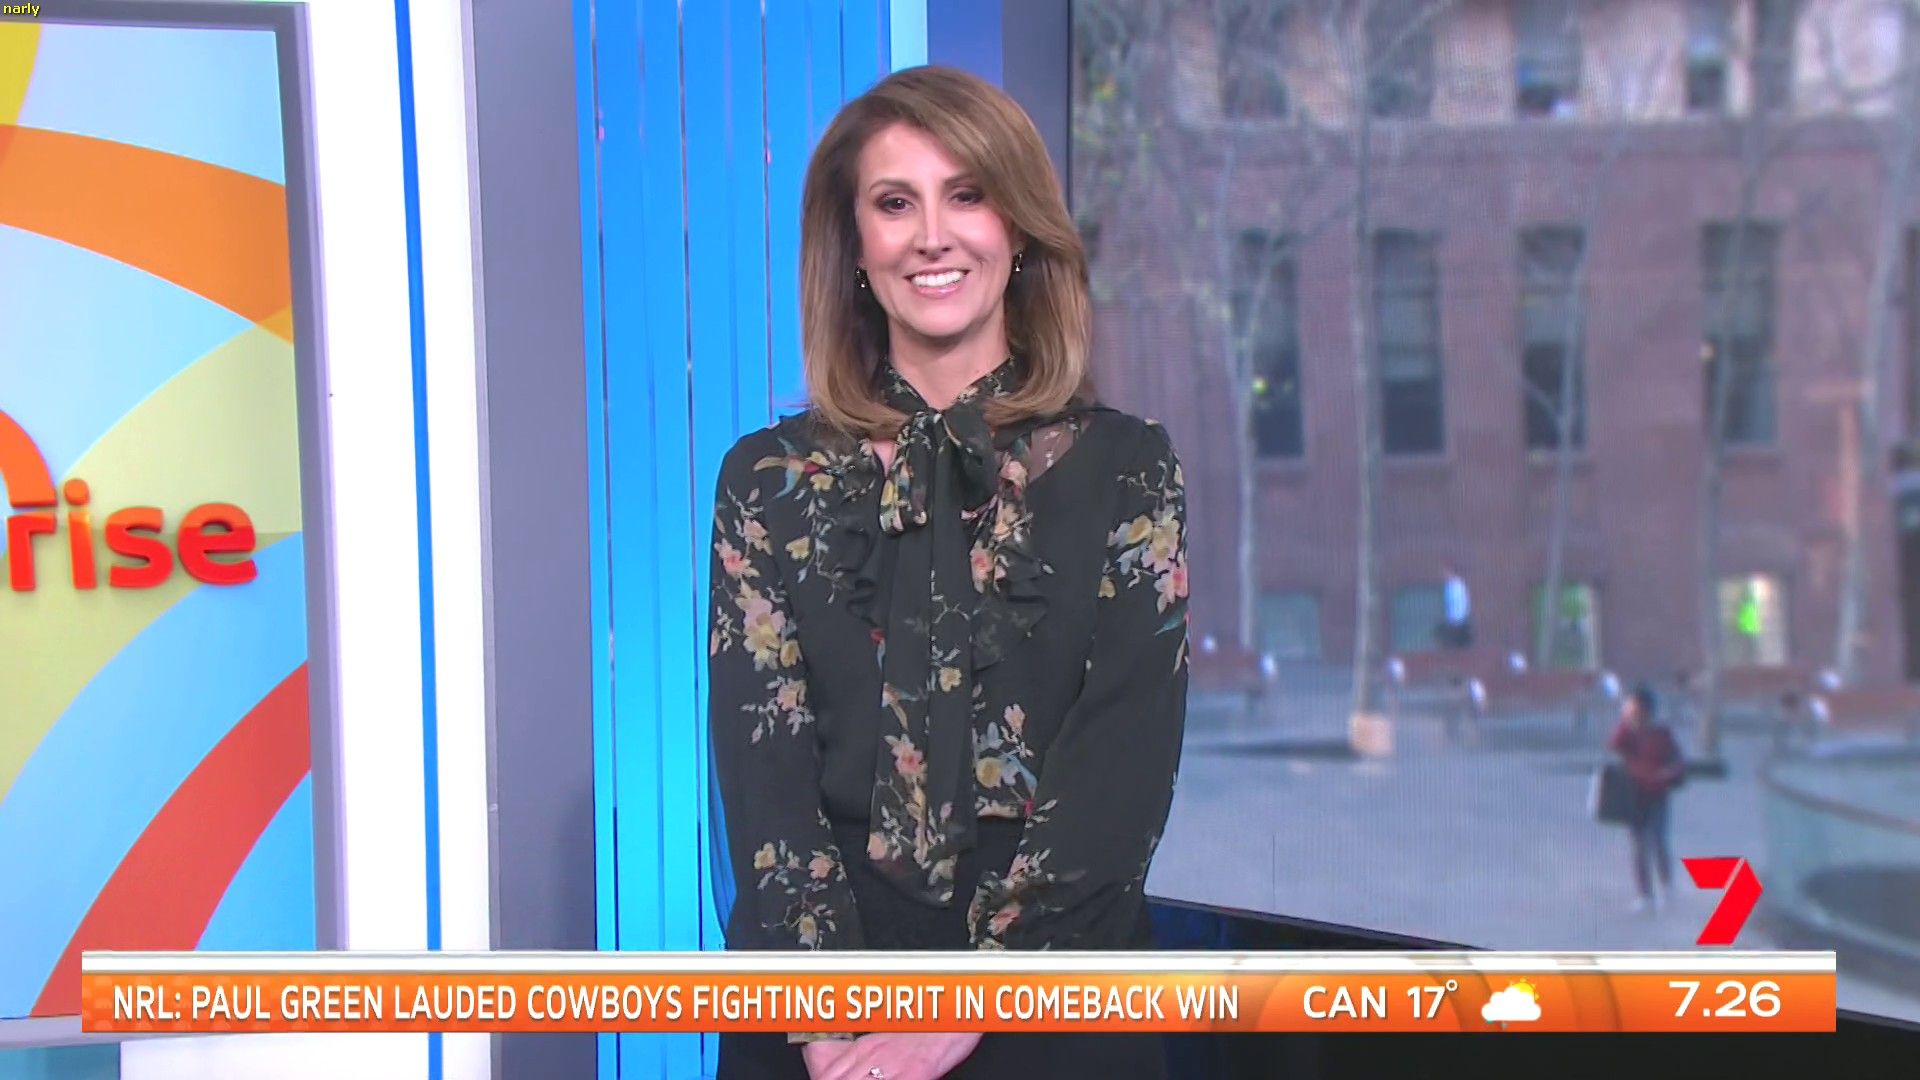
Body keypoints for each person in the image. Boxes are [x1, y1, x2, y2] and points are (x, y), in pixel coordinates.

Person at [706, 66, 1187, 1080]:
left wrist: (971, 1003)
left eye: (966, 195)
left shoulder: (1128, 468)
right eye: (895, 203)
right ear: (854, 247)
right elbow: (763, 777)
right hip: (819, 1004)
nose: (932, 235)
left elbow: (1123, 763)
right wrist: (826, 1018)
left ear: (1018, 232)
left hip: (1055, 992)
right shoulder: (765, 480)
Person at [1606, 685, 1684, 913]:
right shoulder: (1628, 731)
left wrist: (1670, 773)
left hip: (1658, 793)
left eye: (1635, 706)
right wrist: (1625, 721)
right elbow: (1613, 745)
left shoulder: (1661, 732)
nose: (1632, 709)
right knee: (1639, 846)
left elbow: (1677, 758)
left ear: (1647, 708)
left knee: (1658, 841)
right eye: (1630, 706)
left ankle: (1667, 885)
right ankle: (1645, 895)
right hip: (1634, 794)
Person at [1437, 563, 1472, 649]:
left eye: (1444, 573)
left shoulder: (1457, 586)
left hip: (1458, 621)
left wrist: (1457, 619)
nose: (1442, 576)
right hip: (1452, 621)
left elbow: (1461, 603)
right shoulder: (1448, 586)